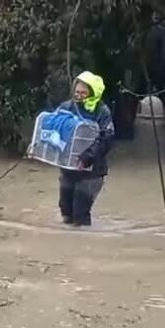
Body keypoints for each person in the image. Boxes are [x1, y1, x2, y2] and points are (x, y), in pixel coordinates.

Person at [57, 71, 115, 227]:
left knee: (80, 215)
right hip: (69, 168)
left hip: (91, 172)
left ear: (92, 93)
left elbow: (106, 139)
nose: (79, 96)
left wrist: (87, 157)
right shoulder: (66, 107)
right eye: (77, 92)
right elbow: (53, 129)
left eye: (83, 93)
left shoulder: (102, 111)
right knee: (66, 212)